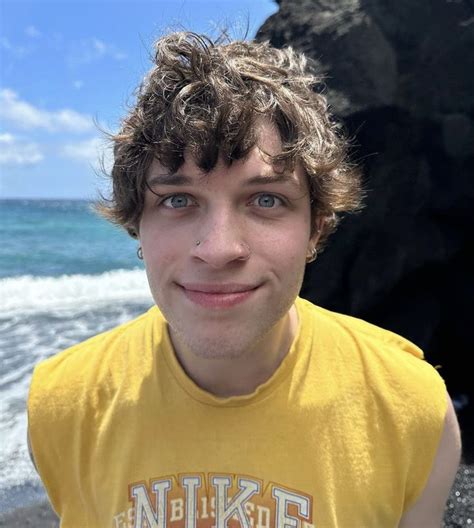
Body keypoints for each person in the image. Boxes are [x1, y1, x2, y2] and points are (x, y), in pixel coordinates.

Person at [28, 32, 461, 528]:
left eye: (266, 200)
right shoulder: (63, 406)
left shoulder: (410, 408)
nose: (217, 249)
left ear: (316, 228)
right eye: (177, 200)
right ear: (137, 225)